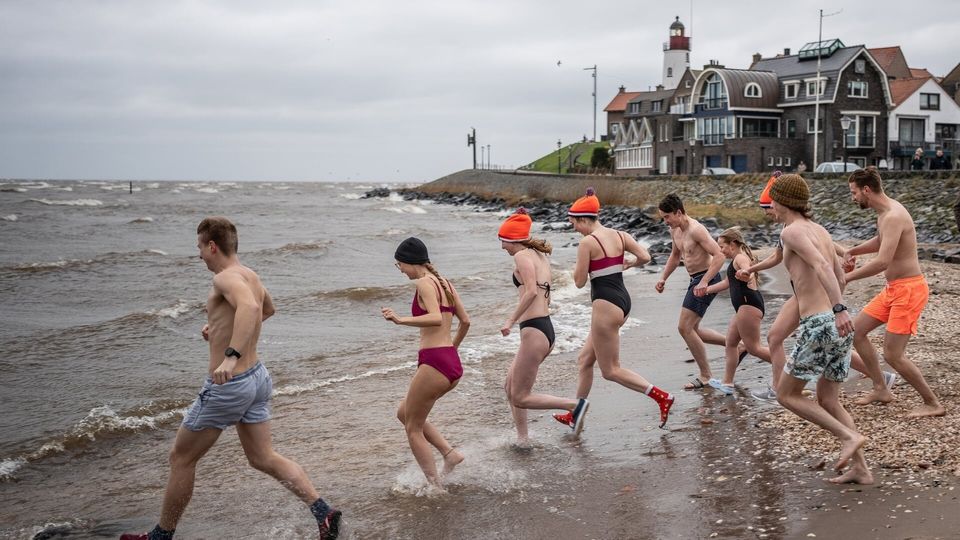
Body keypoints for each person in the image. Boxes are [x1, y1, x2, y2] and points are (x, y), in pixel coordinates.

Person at [122, 217, 342, 540]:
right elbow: (267, 309)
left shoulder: (224, 278)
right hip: (257, 379)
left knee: (181, 458)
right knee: (262, 457)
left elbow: (252, 308)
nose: (199, 255)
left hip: (230, 384)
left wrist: (230, 354)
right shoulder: (250, 274)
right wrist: (221, 329)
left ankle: (160, 536)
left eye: (200, 247)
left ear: (212, 246)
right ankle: (323, 513)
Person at [740, 174, 893, 401]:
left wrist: (846, 254)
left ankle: (781, 388)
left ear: (781, 203)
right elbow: (776, 257)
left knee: (784, 338)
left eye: (769, 208)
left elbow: (825, 250)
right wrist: (752, 270)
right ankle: (880, 377)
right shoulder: (789, 229)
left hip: (811, 294)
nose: (769, 212)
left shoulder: (793, 229)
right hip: (803, 293)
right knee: (782, 337)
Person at [768, 175, 873, 485]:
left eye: (772, 199)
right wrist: (839, 308)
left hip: (822, 323)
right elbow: (839, 277)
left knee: (786, 395)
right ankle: (861, 469)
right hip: (837, 323)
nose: (769, 204)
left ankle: (847, 436)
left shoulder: (793, 232)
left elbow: (823, 268)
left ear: (783, 200)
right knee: (828, 400)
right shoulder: (821, 231)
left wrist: (839, 309)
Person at [554, 188, 675, 428]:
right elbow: (645, 257)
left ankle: (661, 396)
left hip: (605, 305)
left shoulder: (587, 242)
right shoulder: (620, 235)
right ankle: (576, 414)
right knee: (585, 360)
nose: (574, 228)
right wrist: (628, 263)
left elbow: (579, 282)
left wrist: (575, 268)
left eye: (574, 224)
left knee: (610, 370)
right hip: (622, 300)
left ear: (583, 219)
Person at [841, 167, 946, 417]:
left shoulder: (893, 215)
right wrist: (852, 251)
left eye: (854, 192)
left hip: (909, 290)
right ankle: (881, 388)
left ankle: (932, 403)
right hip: (893, 290)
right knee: (857, 333)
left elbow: (882, 262)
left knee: (893, 354)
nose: (853, 197)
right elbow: (881, 241)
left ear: (866, 189)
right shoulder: (885, 213)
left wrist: (846, 278)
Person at [382, 237, 469, 488]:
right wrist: (452, 349)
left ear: (410, 262)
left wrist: (400, 320)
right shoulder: (446, 284)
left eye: (399, 264)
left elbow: (433, 319)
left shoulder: (423, 283)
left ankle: (434, 487)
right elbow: (466, 321)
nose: (399, 269)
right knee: (404, 412)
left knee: (413, 428)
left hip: (434, 362)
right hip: (450, 362)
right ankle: (450, 454)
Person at [498, 208, 587, 440]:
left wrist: (510, 319)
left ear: (512, 239)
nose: (502, 247)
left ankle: (574, 405)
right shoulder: (539, 255)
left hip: (534, 331)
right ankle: (522, 439)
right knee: (510, 387)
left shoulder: (521, 256)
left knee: (520, 396)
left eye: (503, 241)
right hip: (543, 328)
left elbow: (530, 293)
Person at [655, 193, 728, 390]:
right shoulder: (675, 230)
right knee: (694, 330)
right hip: (695, 280)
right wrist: (663, 278)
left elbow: (719, 256)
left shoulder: (697, 230)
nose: (665, 221)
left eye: (667, 216)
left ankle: (706, 376)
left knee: (684, 327)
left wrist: (704, 282)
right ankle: (736, 345)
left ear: (678, 212)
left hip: (707, 277)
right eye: (663, 217)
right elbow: (675, 255)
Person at [701, 228, 772, 394]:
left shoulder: (740, 258)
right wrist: (706, 290)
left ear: (733, 244)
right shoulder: (734, 260)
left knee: (753, 347)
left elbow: (748, 270)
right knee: (731, 343)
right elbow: (727, 282)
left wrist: (747, 274)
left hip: (748, 305)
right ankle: (727, 383)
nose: (720, 251)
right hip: (743, 306)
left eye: (722, 246)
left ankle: (791, 366)